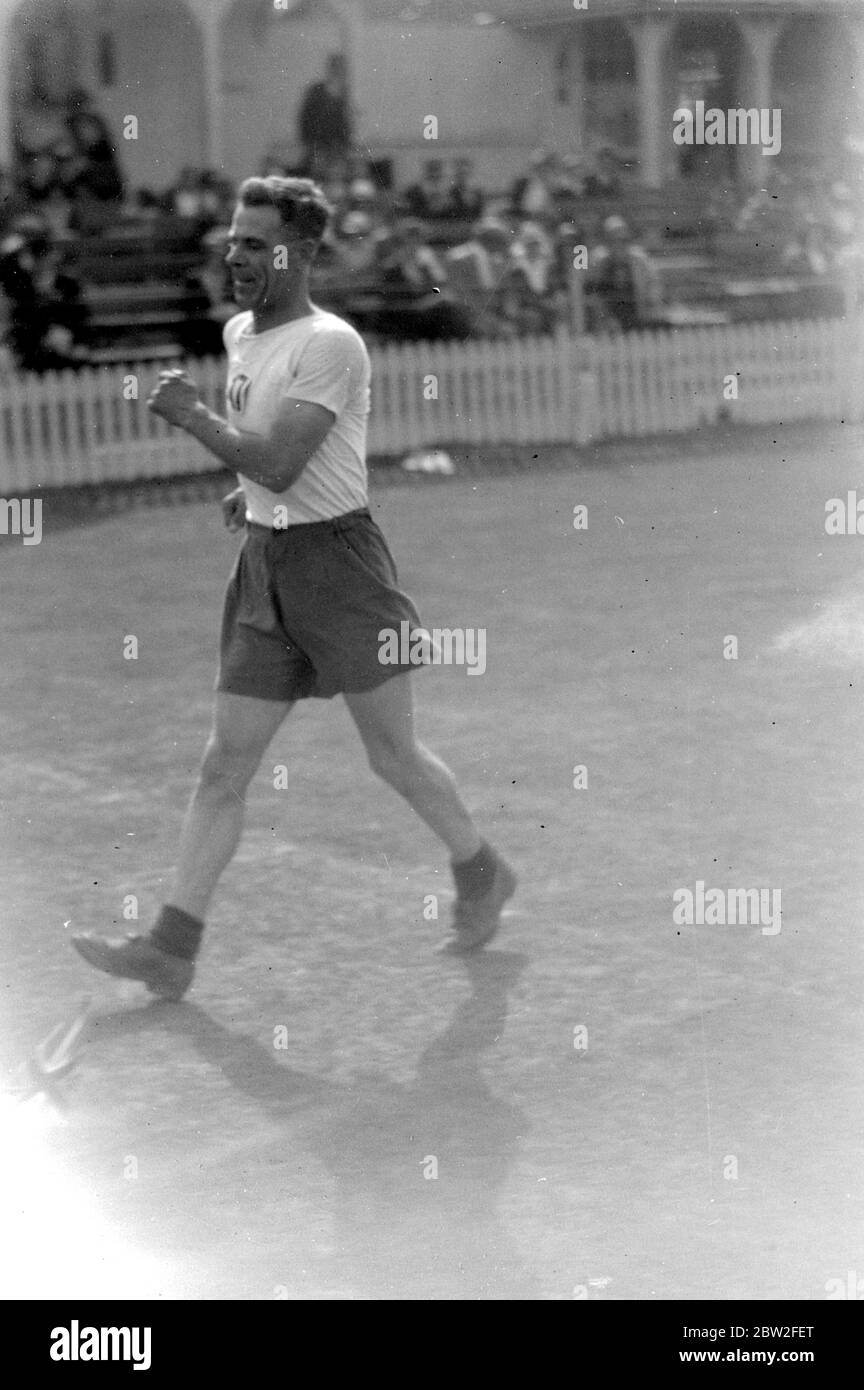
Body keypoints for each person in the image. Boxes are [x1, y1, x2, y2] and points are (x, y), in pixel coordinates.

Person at [71, 175, 516, 1000]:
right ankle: (173, 946)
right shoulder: (243, 332)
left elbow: (280, 456)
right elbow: (271, 464)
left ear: (301, 251)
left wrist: (197, 421)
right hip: (266, 566)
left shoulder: (332, 343)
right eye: (232, 239)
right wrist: (254, 497)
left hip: (341, 568)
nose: (235, 255)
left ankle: (481, 869)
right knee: (222, 768)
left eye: (254, 242)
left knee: (390, 754)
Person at [297, 54, 353, 183]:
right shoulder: (316, 91)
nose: (340, 72)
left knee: (337, 178)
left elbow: (345, 121)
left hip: (338, 147)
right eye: (336, 68)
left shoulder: (344, 93)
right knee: (319, 178)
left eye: (342, 68)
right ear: (330, 69)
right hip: (318, 145)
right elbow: (305, 118)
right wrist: (309, 143)